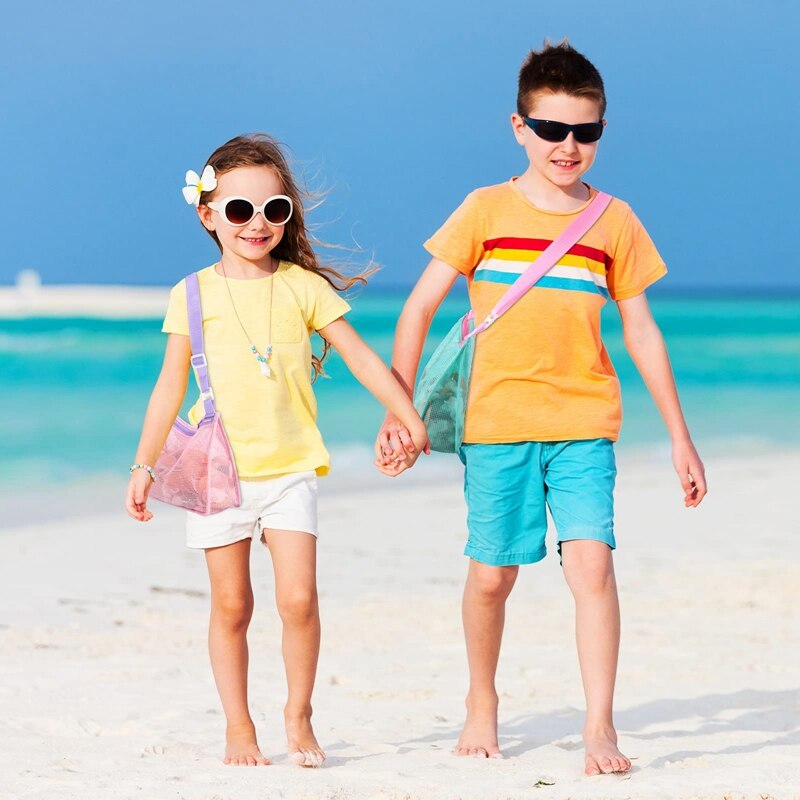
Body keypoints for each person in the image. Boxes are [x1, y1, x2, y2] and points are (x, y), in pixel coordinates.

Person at [375, 41, 707, 776]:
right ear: (519, 127)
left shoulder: (615, 221)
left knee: (592, 567)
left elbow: (642, 330)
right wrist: (402, 407)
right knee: (493, 574)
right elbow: (420, 306)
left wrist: (681, 437)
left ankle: (599, 726)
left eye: (584, 132)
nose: (568, 146)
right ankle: (481, 699)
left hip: (585, 423)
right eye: (552, 130)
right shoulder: (485, 209)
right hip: (496, 425)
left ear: (601, 134)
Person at [126, 133, 427, 768]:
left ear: (287, 215)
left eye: (274, 209)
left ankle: (299, 712)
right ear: (208, 215)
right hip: (217, 472)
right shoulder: (192, 293)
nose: (256, 224)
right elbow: (168, 385)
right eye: (239, 210)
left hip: (291, 469)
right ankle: (239, 725)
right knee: (232, 605)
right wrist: (143, 465)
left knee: (298, 600)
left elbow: (361, 358)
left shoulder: (301, 287)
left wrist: (407, 414)